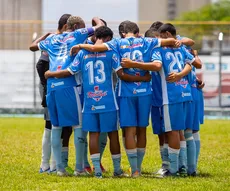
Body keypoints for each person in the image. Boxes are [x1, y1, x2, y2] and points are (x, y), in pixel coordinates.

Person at [70, 21, 179, 177]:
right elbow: (169, 42)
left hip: (125, 92)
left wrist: (80, 46)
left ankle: (133, 168)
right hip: (144, 92)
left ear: (122, 33)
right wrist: (176, 41)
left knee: (128, 130)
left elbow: (95, 48)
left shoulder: (117, 43)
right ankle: (138, 169)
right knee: (141, 130)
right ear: (137, 31)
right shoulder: (147, 41)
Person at [44, 26, 151, 178]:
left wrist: (50, 74)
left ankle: (97, 172)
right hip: (108, 100)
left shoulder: (82, 53)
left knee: (93, 134)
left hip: (89, 102)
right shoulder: (111, 53)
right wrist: (143, 78)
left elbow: (68, 72)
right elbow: (122, 75)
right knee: (113, 134)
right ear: (108, 39)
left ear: (96, 37)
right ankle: (117, 170)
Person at [121, 23, 202, 177]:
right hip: (183, 93)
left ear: (161, 36)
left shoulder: (157, 49)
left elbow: (157, 66)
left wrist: (133, 64)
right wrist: (181, 73)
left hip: (169, 96)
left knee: (173, 132)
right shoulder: (179, 47)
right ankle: (183, 167)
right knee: (180, 131)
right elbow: (194, 63)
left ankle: (173, 169)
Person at [30, 16, 104, 176]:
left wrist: (46, 35)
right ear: (77, 26)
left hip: (52, 86)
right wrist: (95, 19)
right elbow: (100, 26)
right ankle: (79, 168)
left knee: (56, 127)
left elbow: (33, 47)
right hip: (68, 85)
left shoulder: (52, 39)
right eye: (82, 27)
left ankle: (59, 169)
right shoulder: (77, 35)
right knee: (78, 125)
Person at [36, 13, 73, 174]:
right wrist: (46, 87)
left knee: (63, 126)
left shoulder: (64, 40)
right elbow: (41, 65)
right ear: (66, 26)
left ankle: (57, 163)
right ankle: (46, 164)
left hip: (62, 88)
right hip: (51, 88)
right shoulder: (55, 40)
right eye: (72, 28)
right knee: (51, 125)